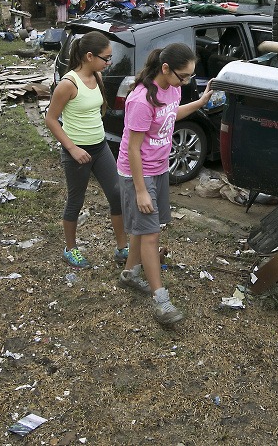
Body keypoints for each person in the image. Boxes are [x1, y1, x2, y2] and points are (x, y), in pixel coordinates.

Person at [116, 43, 213, 325]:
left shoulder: (173, 89)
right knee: (151, 235)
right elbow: (133, 149)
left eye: (189, 77)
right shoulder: (141, 100)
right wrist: (141, 190)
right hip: (138, 172)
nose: (186, 81)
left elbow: (172, 115)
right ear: (166, 68)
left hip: (159, 168)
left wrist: (199, 103)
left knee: (144, 227)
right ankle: (161, 301)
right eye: (182, 76)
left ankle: (130, 274)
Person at [44, 31, 129, 269]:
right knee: (76, 200)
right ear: (89, 56)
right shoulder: (68, 84)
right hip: (77, 152)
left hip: (100, 148)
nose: (109, 62)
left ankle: (123, 248)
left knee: (116, 194)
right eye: (106, 58)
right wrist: (72, 149)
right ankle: (70, 249)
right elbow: (50, 119)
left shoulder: (97, 76)